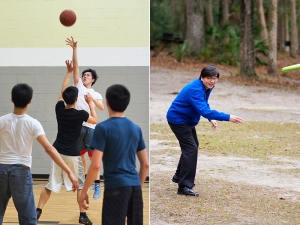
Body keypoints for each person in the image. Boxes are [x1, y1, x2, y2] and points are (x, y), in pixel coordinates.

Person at [0, 83, 79, 225]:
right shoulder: (33, 123)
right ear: (30, 101)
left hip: (1, 169)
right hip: (21, 172)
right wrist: (69, 171)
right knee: (28, 219)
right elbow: (49, 149)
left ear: (11, 99)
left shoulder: (2, 120)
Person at [166, 65, 243, 197]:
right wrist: (227, 117)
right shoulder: (195, 89)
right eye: (208, 78)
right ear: (202, 77)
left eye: (214, 78)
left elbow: (203, 104)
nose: (212, 81)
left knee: (191, 147)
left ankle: (179, 176)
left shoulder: (207, 87)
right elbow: (203, 110)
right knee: (191, 149)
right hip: (178, 119)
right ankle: (184, 186)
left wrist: (210, 118)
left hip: (187, 120)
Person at [36, 60, 98, 225]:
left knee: (50, 184)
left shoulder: (59, 109)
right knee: (80, 186)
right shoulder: (80, 114)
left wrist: (68, 72)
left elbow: (61, 92)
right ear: (77, 99)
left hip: (57, 152)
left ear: (64, 99)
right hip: (72, 154)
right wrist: (91, 105)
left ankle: (38, 210)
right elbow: (95, 120)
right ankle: (82, 215)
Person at [78, 84, 149, 225]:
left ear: (107, 103)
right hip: (135, 186)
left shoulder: (103, 128)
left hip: (115, 187)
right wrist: (137, 187)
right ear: (127, 104)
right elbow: (145, 164)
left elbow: (96, 165)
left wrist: (84, 191)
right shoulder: (136, 128)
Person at [66, 36, 104, 200]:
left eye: (87, 75)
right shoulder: (79, 86)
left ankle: (97, 185)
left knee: (93, 157)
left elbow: (102, 108)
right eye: (84, 75)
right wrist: (74, 49)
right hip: (77, 126)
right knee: (80, 156)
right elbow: (75, 68)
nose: (84, 76)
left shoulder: (95, 93)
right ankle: (83, 183)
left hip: (90, 127)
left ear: (93, 79)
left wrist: (91, 101)